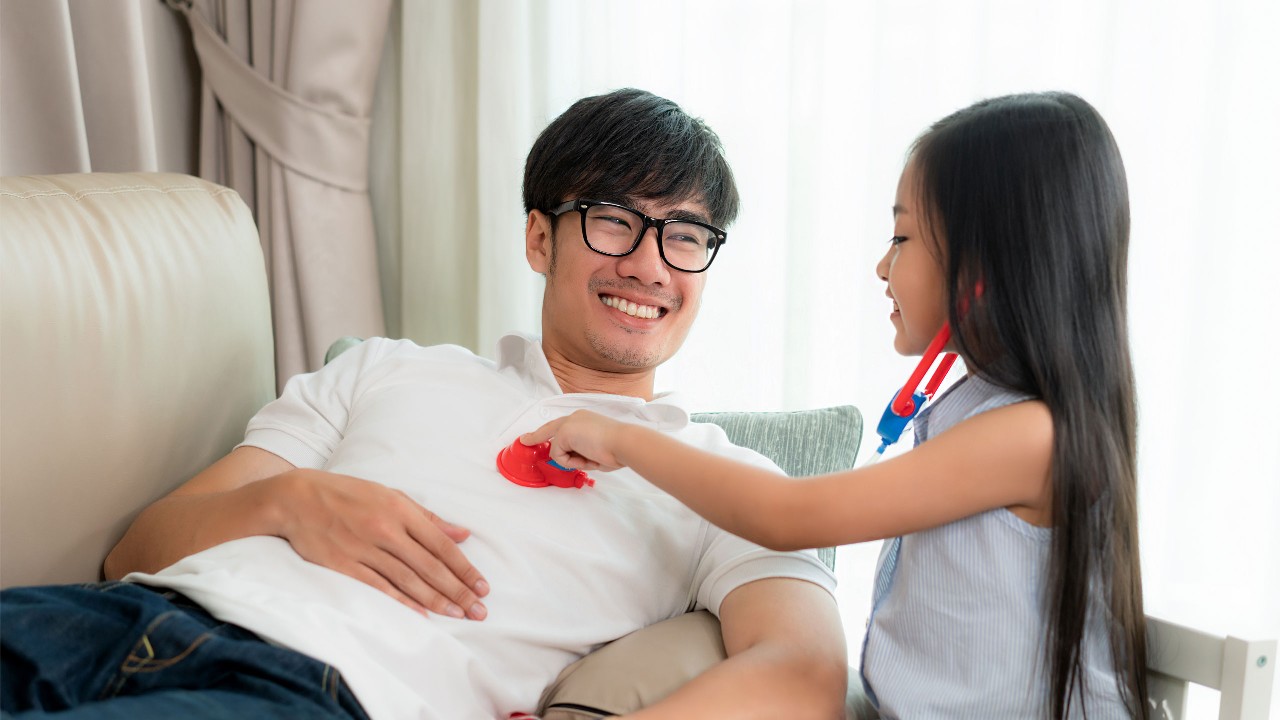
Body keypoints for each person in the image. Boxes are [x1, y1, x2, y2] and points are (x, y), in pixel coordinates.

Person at [0, 89, 847, 720]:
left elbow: (804, 672)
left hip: (312, 693)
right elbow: (130, 552)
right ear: (539, 239)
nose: (650, 265)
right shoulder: (387, 368)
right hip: (115, 615)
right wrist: (290, 501)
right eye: (614, 220)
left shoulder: (730, 481)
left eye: (687, 236)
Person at [524, 92, 1149, 719]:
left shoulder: (1032, 437)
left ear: (983, 263)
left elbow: (790, 515)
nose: (883, 266)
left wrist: (624, 438)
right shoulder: (977, 409)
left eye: (902, 237)